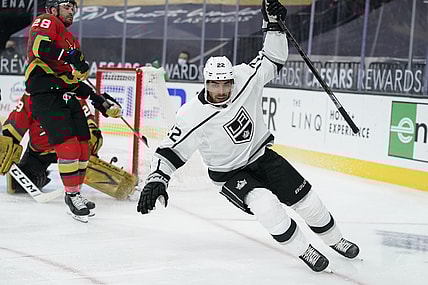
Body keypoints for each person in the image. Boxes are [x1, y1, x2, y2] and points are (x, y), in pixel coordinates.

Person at [137, 0, 360, 272]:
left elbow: (272, 58)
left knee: (307, 201)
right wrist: (157, 178)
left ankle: (337, 240)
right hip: (229, 173)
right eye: (215, 84)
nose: (221, 90)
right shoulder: (191, 115)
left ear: (232, 79)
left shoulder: (244, 78)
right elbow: (170, 151)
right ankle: (305, 251)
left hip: (262, 157)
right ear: (206, 82)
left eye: (225, 83)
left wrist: (274, 25)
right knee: (265, 205)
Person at [24, 0, 122, 222]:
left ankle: (75, 192)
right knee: (68, 145)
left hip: (64, 94)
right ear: (52, 8)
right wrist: (70, 57)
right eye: (67, 6)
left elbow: (71, 82)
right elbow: (40, 48)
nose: (72, 11)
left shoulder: (72, 41)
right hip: (46, 94)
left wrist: (99, 101)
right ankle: (71, 196)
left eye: (74, 8)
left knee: (83, 146)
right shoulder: (47, 20)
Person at [1, 91, 137, 202]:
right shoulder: (32, 94)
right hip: (39, 152)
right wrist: (9, 139)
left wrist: (91, 144)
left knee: (116, 183)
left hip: (69, 148)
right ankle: (41, 177)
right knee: (16, 185)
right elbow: (16, 122)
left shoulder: (72, 93)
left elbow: (89, 124)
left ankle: (117, 180)